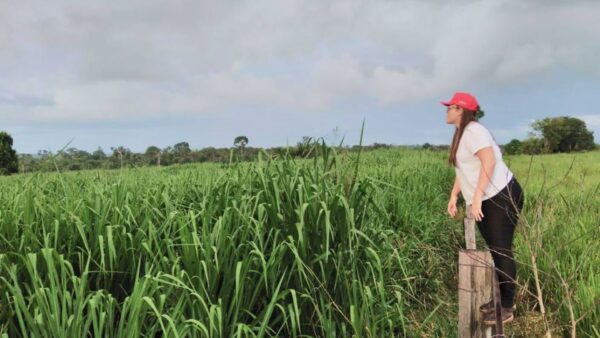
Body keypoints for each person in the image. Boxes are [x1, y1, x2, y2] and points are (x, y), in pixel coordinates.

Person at [442, 92, 525, 326]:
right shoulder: (462, 133)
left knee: (501, 250)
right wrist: (454, 195)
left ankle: (508, 306)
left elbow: (488, 160)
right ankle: (501, 300)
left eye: (450, 107)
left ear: (460, 109)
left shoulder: (474, 131)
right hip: (489, 197)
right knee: (496, 248)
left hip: (500, 195)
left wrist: (476, 196)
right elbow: (465, 169)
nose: (446, 110)